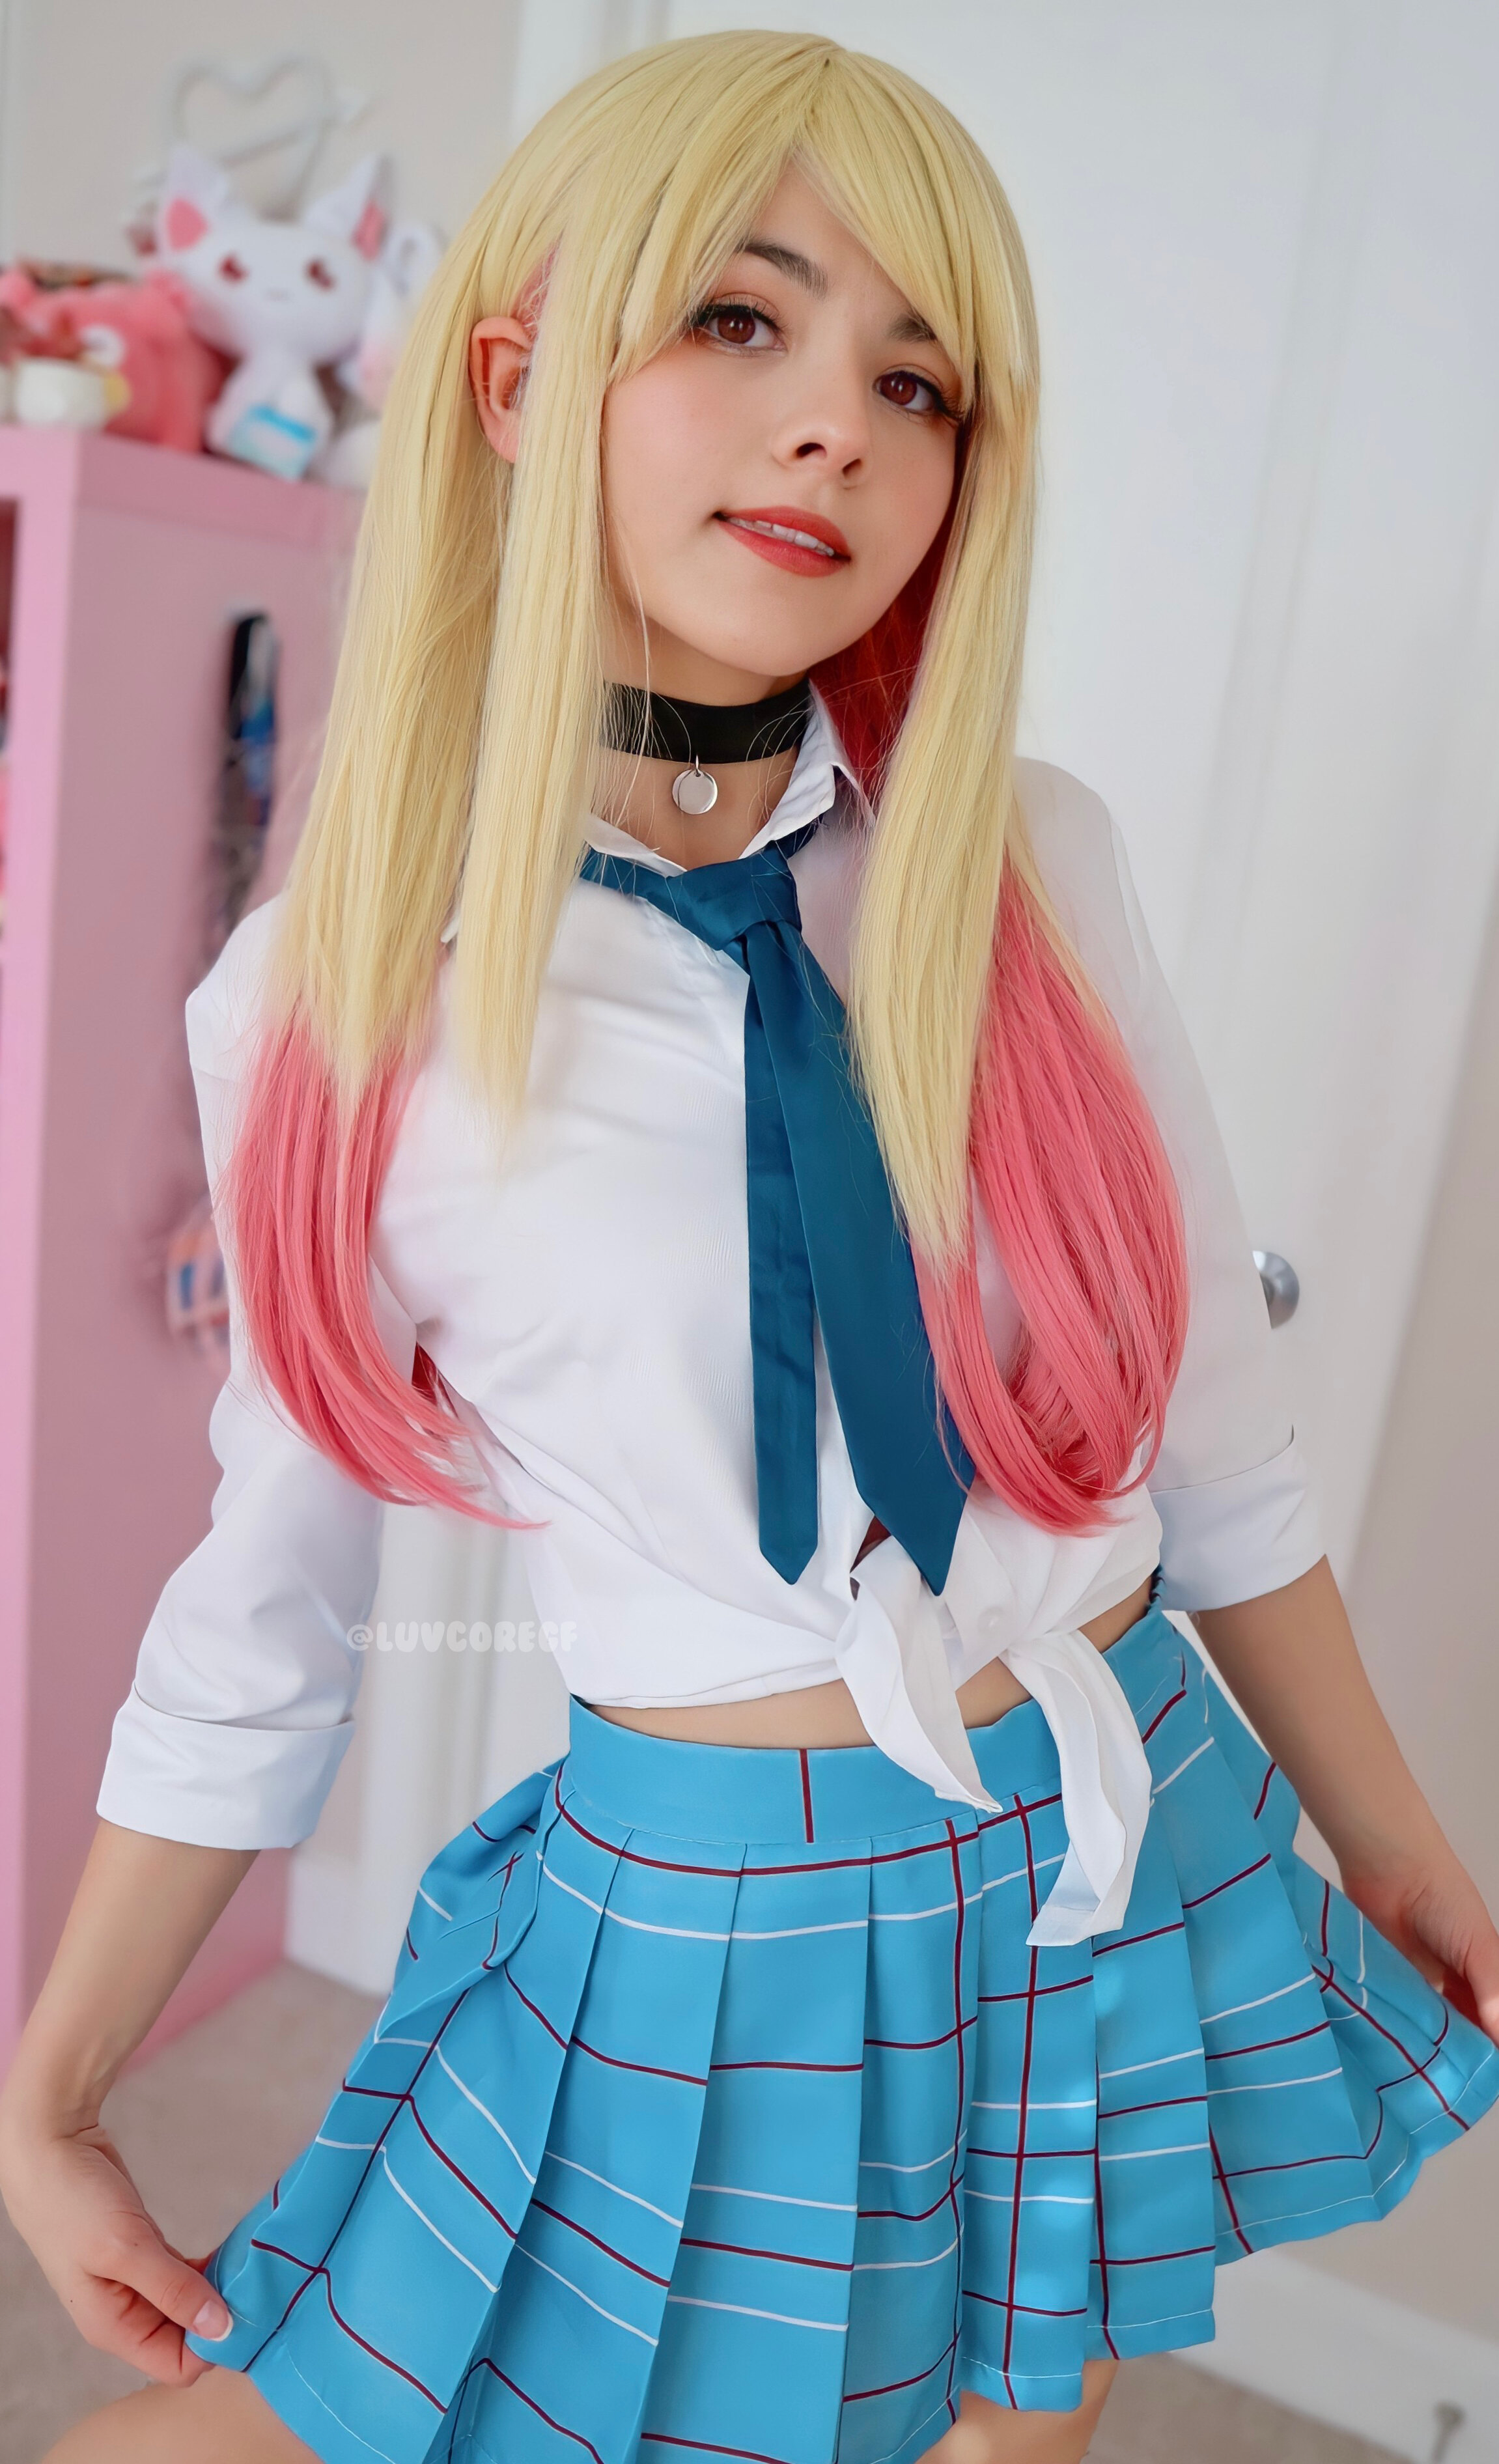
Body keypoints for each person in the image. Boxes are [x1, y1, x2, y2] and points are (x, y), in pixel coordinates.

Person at [2, 33, 1496, 2464]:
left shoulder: (1032, 861)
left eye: (917, 381)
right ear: (517, 384)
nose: (835, 429)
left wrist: (1400, 1841)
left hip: (1119, 1807)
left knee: (1018, 2419)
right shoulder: (337, 999)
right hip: (709, 1918)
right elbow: (264, 1609)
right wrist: (53, 2084)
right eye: (738, 317)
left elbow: (1220, 1449)